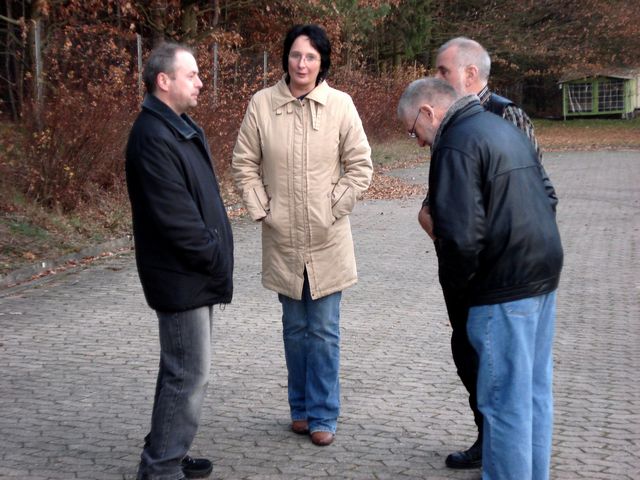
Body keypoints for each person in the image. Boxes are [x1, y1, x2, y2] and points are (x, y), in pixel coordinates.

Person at [398, 77, 563, 480]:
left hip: (500, 289)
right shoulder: (504, 126)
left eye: (413, 131)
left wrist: (463, 291)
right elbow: (548, 194)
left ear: (428, 112)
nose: (418, 143)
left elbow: (460, 237)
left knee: (503, 405)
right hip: (541, 277)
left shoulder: (455, 143)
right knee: (532, 397)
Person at [231, 24, 372, 447]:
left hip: (328, 239)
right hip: (283, 240)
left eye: (311, 56)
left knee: (324, 330)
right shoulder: (262, 104)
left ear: (322, 61)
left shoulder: (340, 105)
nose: (302, 64)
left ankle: (324, 414)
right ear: (286, 58)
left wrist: (332, 207)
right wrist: (263, 209)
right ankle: (300, 409)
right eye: (296, 55)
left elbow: (360, 166)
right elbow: (244, 162)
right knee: (294, 329)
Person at [422, 36, 542, 469]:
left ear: (470, 74)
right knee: (466, 352)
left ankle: (505, 452)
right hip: (458, 262)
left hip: (496, 271)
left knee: (500, 367)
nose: (437, 78)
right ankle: (486, 435)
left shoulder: (506, 116)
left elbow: (533, 192)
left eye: (443, 71)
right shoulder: (448, 120)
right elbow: (446, 190)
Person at [125, 42, 234, 480]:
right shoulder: (153, 136)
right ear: (163, 81)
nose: (200, 82)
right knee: (188, 374)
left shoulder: (177, 127)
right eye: (191, 75)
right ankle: (160, 468)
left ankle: (167, 451)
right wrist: (213, 252)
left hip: (193, 274)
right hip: (181, 276)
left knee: (180, 370)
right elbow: (175, 218)